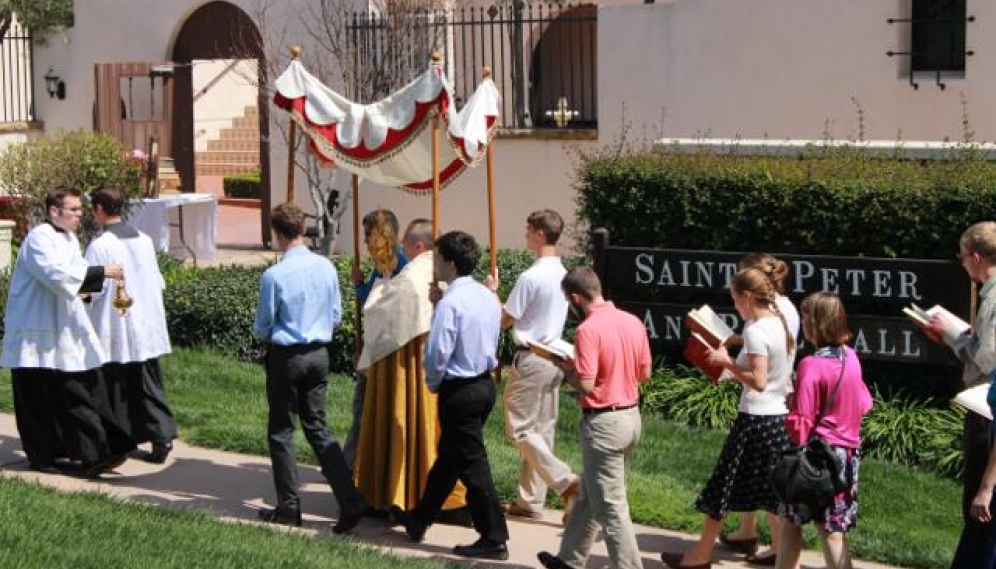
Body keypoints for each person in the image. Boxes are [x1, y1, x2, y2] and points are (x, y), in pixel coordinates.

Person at [661, 267, 795, 569]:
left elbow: (758, 380)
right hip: (777, 419)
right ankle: (788, 560)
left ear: (747, 297)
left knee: (721, 488)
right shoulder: (780, 321)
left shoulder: (756, 330)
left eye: (734, 298)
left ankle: (700, 556)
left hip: (755, 420)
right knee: (773, 495)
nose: (734, 304)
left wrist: (727, 363)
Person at [390, 230, 509, 560]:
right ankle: (419, 519)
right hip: (484, 384)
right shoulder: (487, 296)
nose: (435, 262)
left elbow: (438, 352)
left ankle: (494, 536)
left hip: (461, 389)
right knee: (451, 458)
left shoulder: (451, 303)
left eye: (438, 256)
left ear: (450, 263)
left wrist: (433, 381)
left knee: (471, 463)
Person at [1, 187, 134, 477]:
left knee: (69, 391)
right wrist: (101, 272)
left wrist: (98, 288)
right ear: (54, 211)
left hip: (61, 326)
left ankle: (86, 452)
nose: (79, 214)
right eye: (73, 209)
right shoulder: (39, 238)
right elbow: (56, 275)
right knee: (35, 396)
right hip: (33, 331)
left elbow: (76, 275)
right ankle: (42, 456)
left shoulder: (70, 238)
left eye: (79, 209)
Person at [252, 202, 367, 534]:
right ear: (302, 229)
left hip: (287, 356)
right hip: (319, 354)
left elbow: (262, 326)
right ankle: (349, 498)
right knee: (317, 426)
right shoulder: (326, 268)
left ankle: (289, 506)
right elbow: (335, 316)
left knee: (281, 431)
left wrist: (267, 336)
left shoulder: (274, 275)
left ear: (277, 233)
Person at [536, 265, 651, 569]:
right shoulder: (632, 321)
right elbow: (645, 373)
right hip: (631, 419)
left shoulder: (587, 330)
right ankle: (570, 560)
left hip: (604, 424)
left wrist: (565, 368)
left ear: (576, 298)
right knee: (591, 492)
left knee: (611, 507)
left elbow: (586, 383)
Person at [353, 218, 467, 512]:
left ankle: (398, 492)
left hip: (407, 365)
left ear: (416, 245)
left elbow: (382, 314)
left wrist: (367, 296)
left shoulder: (411, 277)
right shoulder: (440, 276)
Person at [486, 209, 579, 524]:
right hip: (555, 356)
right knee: (542, 430)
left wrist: (491, 294)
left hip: (532, 356)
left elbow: (504, 319)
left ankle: (567, 483)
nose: (525, 234)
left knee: (520, 429)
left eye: (528, 230)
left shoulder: (531, 276)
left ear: (540, 234)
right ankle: (530, 500)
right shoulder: (565, 275)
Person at [775, 292, 872, 569]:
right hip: (846, 456)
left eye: (805, 316)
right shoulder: (851, 357)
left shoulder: (811, 365)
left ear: (816, 323)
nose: (802, 321)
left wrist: (792, 404)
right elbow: (864, 402)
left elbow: (802, 422)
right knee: (833, 531)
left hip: (816, 457)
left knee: (792, 522)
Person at [84, 187, 177, 464]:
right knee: (148, 382)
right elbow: (158, 281)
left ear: (99, 209)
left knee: (116, 388)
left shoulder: (101, 246)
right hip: (146, 322)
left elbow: (90, 291)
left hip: (117, 325)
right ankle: (162, 436)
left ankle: (119, 442)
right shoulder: (144, 239)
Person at [721, 253, 800, 564]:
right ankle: (748, 531)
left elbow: (760, 377)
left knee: (765, 486)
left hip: (765, 408)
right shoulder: (777, 314)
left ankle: (779, 549)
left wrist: (727, 363)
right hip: (772, 405)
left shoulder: (769, 318)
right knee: (757, 480)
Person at [926, 221, 996, 568]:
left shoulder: (993, 297)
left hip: (987, 408)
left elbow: (987, 357)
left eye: (964, 257)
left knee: (980, 502)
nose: (963, 263)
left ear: (977, 257)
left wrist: (954, 336)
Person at [343, 208, 408, 469]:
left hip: (390, 352)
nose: (367, 243)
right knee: (361, 412)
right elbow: (371, 301)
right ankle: (348, 465)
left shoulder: (403, 268)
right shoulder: (379, 268)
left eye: (370, 235)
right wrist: (360, 285)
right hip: (372, 350)